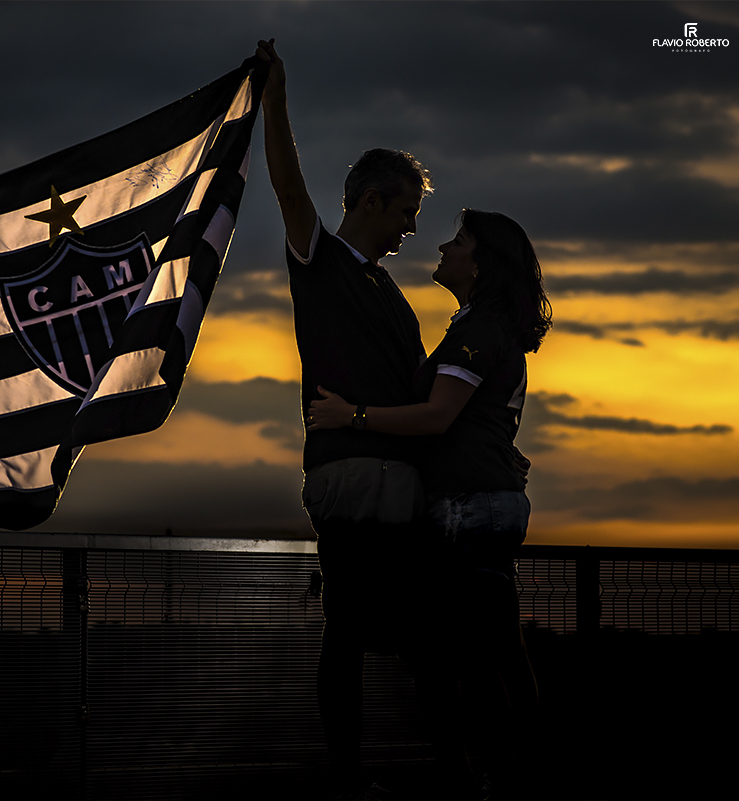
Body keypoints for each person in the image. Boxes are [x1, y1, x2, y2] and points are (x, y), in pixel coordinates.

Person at [308, 209, 552, 798]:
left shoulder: (476, 332)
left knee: (472, 657)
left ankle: (504, 776)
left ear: (481, 263)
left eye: (459, 241)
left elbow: (438, 417)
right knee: (489, 650)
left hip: (469, 511)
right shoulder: (483, 328)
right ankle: (505, 772)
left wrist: (353, 416)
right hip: (482, 504)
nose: (443, 246)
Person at [256, 38, 439, 799]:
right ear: (369, 201)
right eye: (405, 211)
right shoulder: (320, 260)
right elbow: (290, 188)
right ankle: (351, 776)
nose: (410, 228)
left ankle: (435, 767)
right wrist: (274, 97)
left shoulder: (395, 300)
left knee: (411, 633)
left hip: (398, 479)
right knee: (358, 631)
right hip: (350, 476)